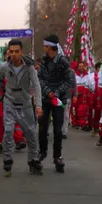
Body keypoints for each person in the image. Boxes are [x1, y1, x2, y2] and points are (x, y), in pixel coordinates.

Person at [0, 39, 42, 176]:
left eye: (17, 51)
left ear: (22, 52)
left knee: (31, 134)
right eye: (11, 52)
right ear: (8, 52)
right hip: (9, 103)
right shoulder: (4, 67)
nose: (14, 55)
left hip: (26, 105)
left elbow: (36, 86)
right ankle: (7, 160)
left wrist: (38, 105)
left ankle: (33, 160)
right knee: (8, 132)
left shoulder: (29, 67)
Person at [37, 34, 73, 173]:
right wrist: (48, 91)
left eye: (45, 46)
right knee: (42, 128)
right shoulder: (44, 61)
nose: (44, 48)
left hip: (58, 101)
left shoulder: (63, 62)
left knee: (57, 130)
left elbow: (68, 80)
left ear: (50, 47)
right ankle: (42, 151)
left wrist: (57, 92)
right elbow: (39, 78)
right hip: (46, 99)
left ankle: (57, 156)